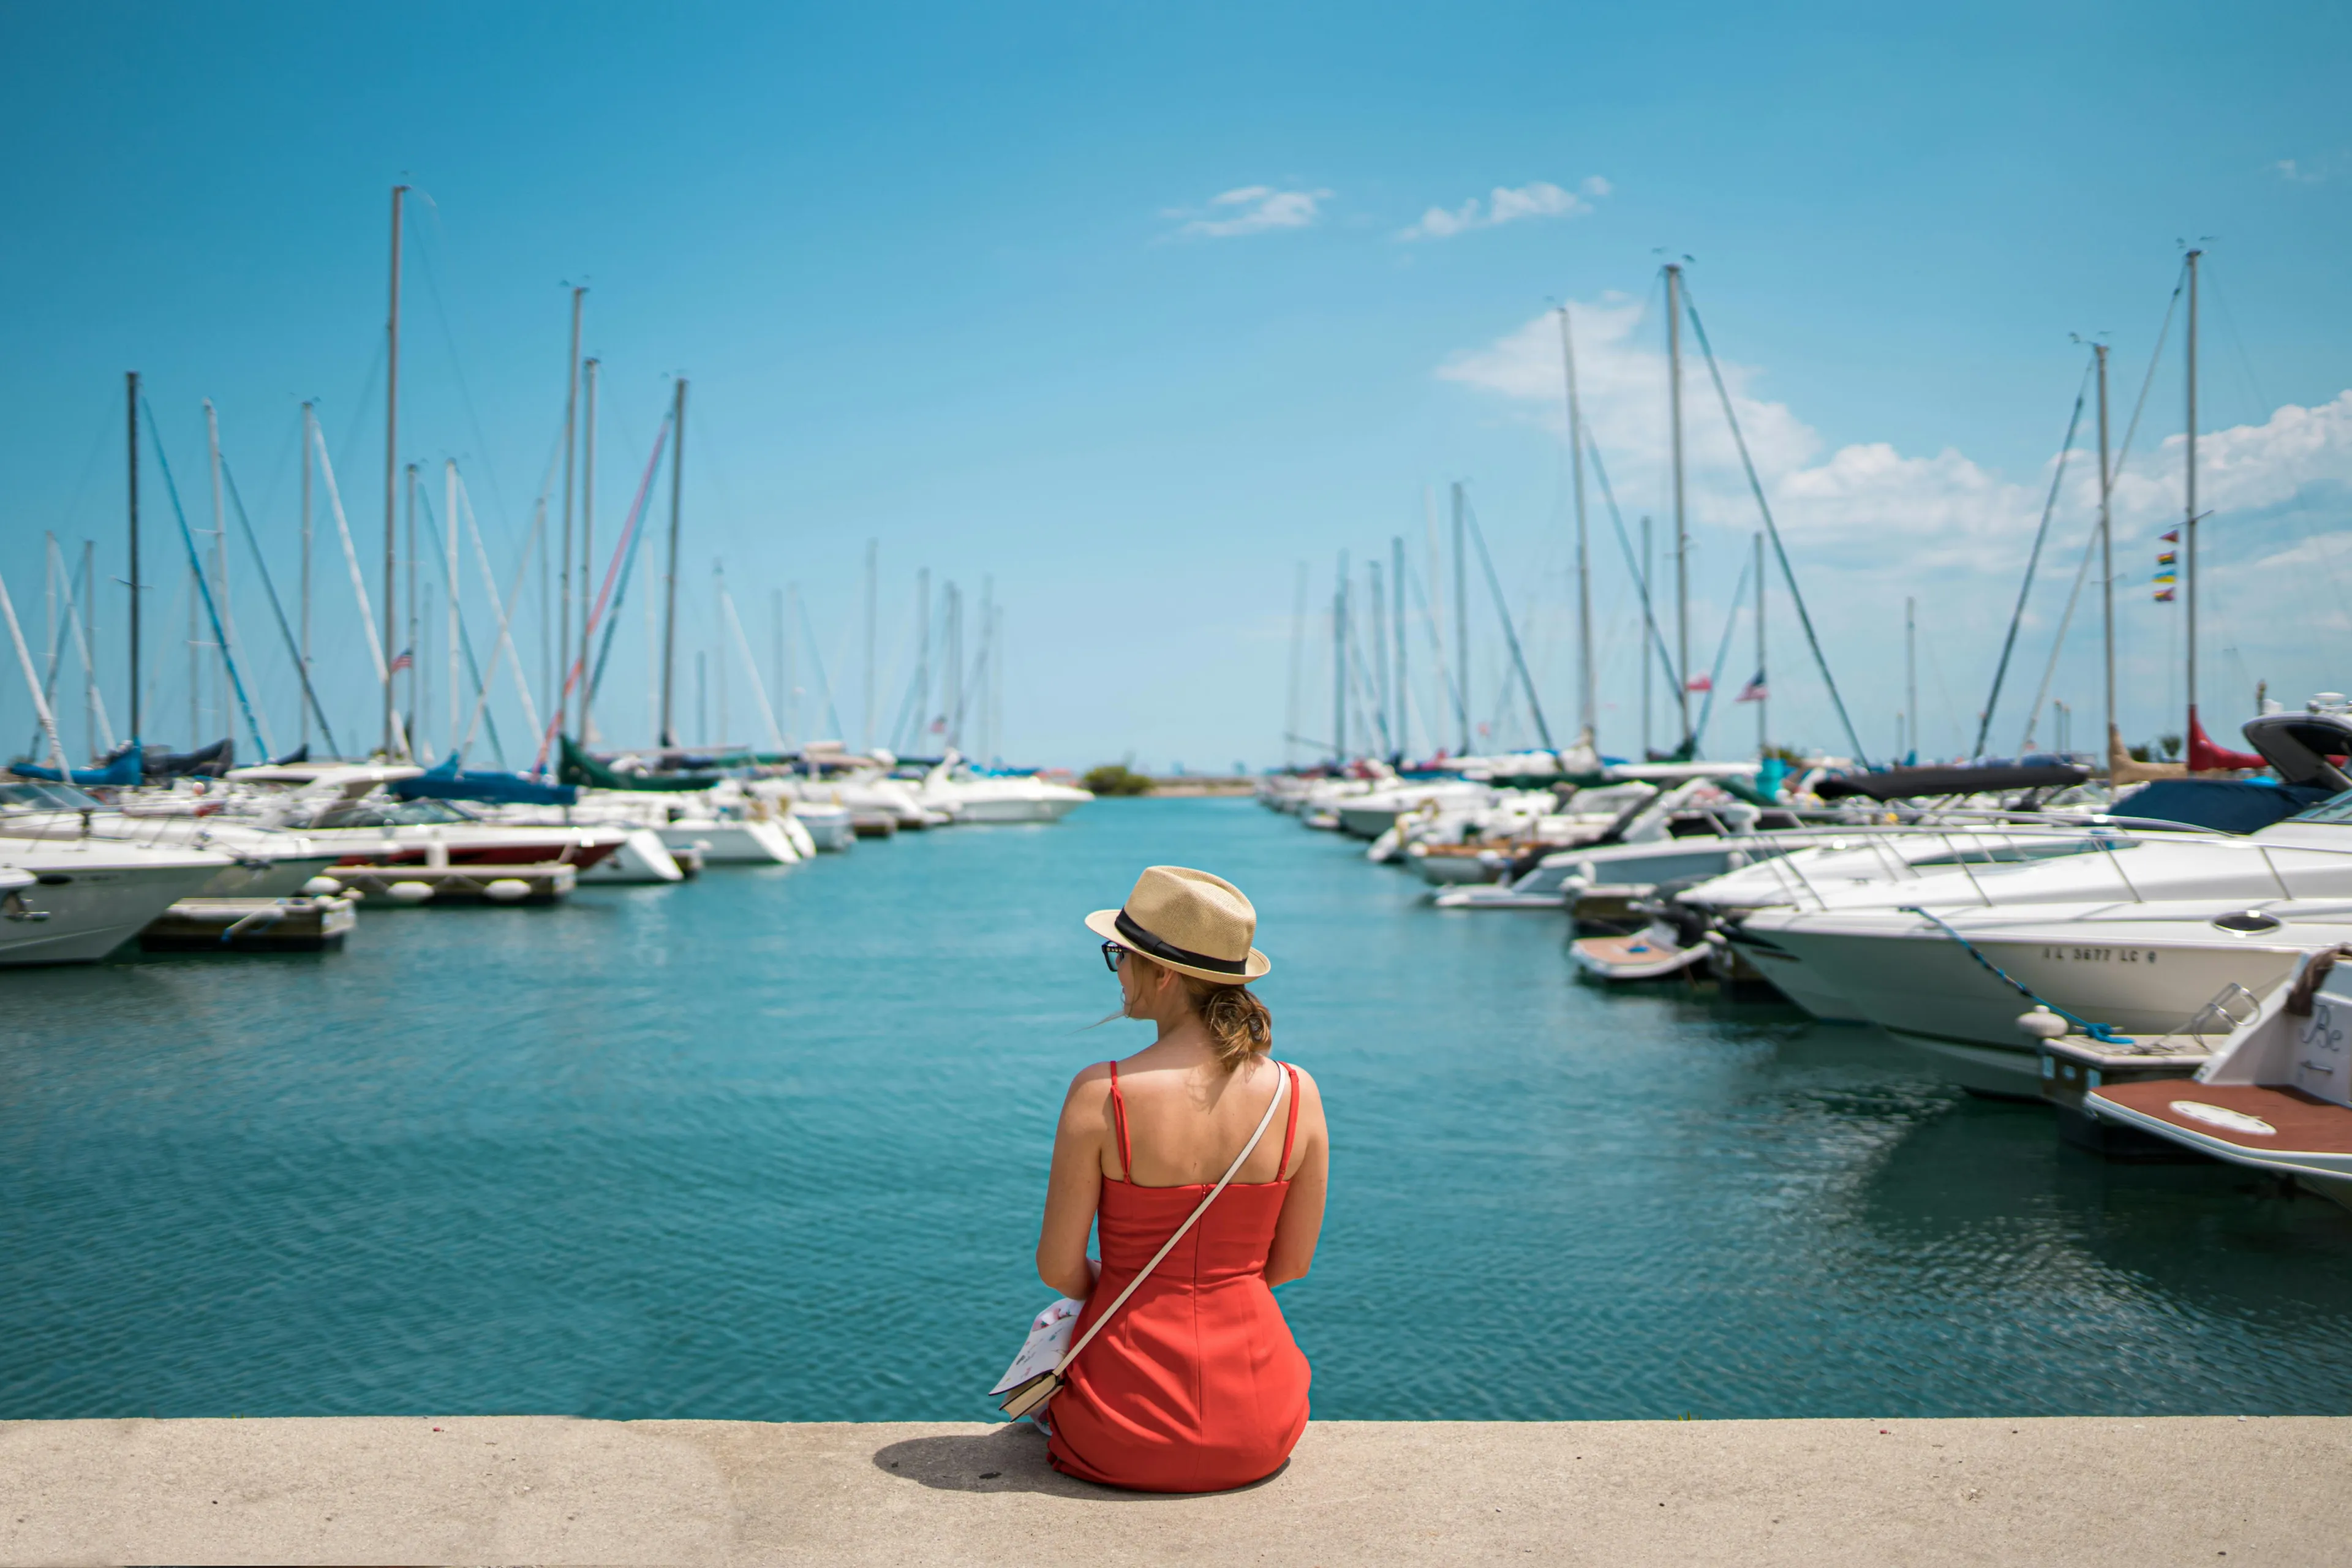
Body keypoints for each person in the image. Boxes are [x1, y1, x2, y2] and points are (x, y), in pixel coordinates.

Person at [1033, 864, 1328, 1493]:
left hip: (1123, 1424)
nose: (1117, 971)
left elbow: (1059, 1268)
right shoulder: (1298, 1094)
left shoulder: (1102, 1094)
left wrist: (1126, 1292)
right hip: (1259, 1423)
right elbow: (1292, 1264)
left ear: (1162, 973)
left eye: (1120, 954)